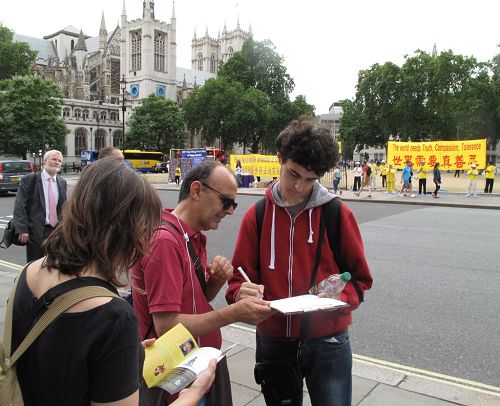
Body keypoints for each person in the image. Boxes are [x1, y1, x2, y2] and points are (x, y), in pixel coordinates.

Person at [10, 158, 215, 406]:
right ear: (127, 230)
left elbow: (58, 358)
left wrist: (121, 354)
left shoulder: (29, 272)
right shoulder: (114, 317)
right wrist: (192, 395)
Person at [226, 117, 373, 406]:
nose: (299, 186)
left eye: (310, 179)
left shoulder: (337, 214)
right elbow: (235, 282)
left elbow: (360, 279)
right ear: (279, 158)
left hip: (329, 340)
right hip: (274, 339)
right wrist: (240, 293)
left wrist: (337, 296)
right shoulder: (256, 216)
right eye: (293, 173)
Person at [132, 160, 273, 405]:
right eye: (226, 202)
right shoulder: (165, 242)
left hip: (194, 369)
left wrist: (216, 282)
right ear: (196, 191)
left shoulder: (192, 235)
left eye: (234, 204)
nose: (230, 211)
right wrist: (233, 313)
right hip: (175, 383)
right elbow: (166, 325)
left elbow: (192, 302)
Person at [13, 150, 68, 262]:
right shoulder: (29, 180)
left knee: (54, 263)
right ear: (45, 161)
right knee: (35, 263)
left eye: (59, 161)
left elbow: (63, 208)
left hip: (56, 231)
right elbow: (20, 205)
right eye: (54, 159)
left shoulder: (62, 182)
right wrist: (23, 230)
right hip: (36, 230)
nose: (57, 162)